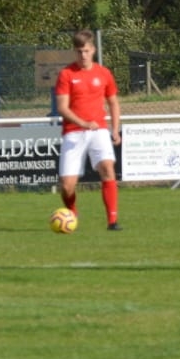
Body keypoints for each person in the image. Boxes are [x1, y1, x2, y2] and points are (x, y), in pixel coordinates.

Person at [55, 30, 123, 230]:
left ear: (93, 50)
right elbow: (62, 108)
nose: (83, 55)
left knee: (108, 168)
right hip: (73, 132)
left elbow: (113, 102)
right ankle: (72, 211)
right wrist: (83, 123)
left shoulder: (104, 73)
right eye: (79, 51)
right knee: (67, 186)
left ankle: (112, 221)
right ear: (74, 52)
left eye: (86, 51)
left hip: (99, 130)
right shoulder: (66, 74)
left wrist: (115, 129)